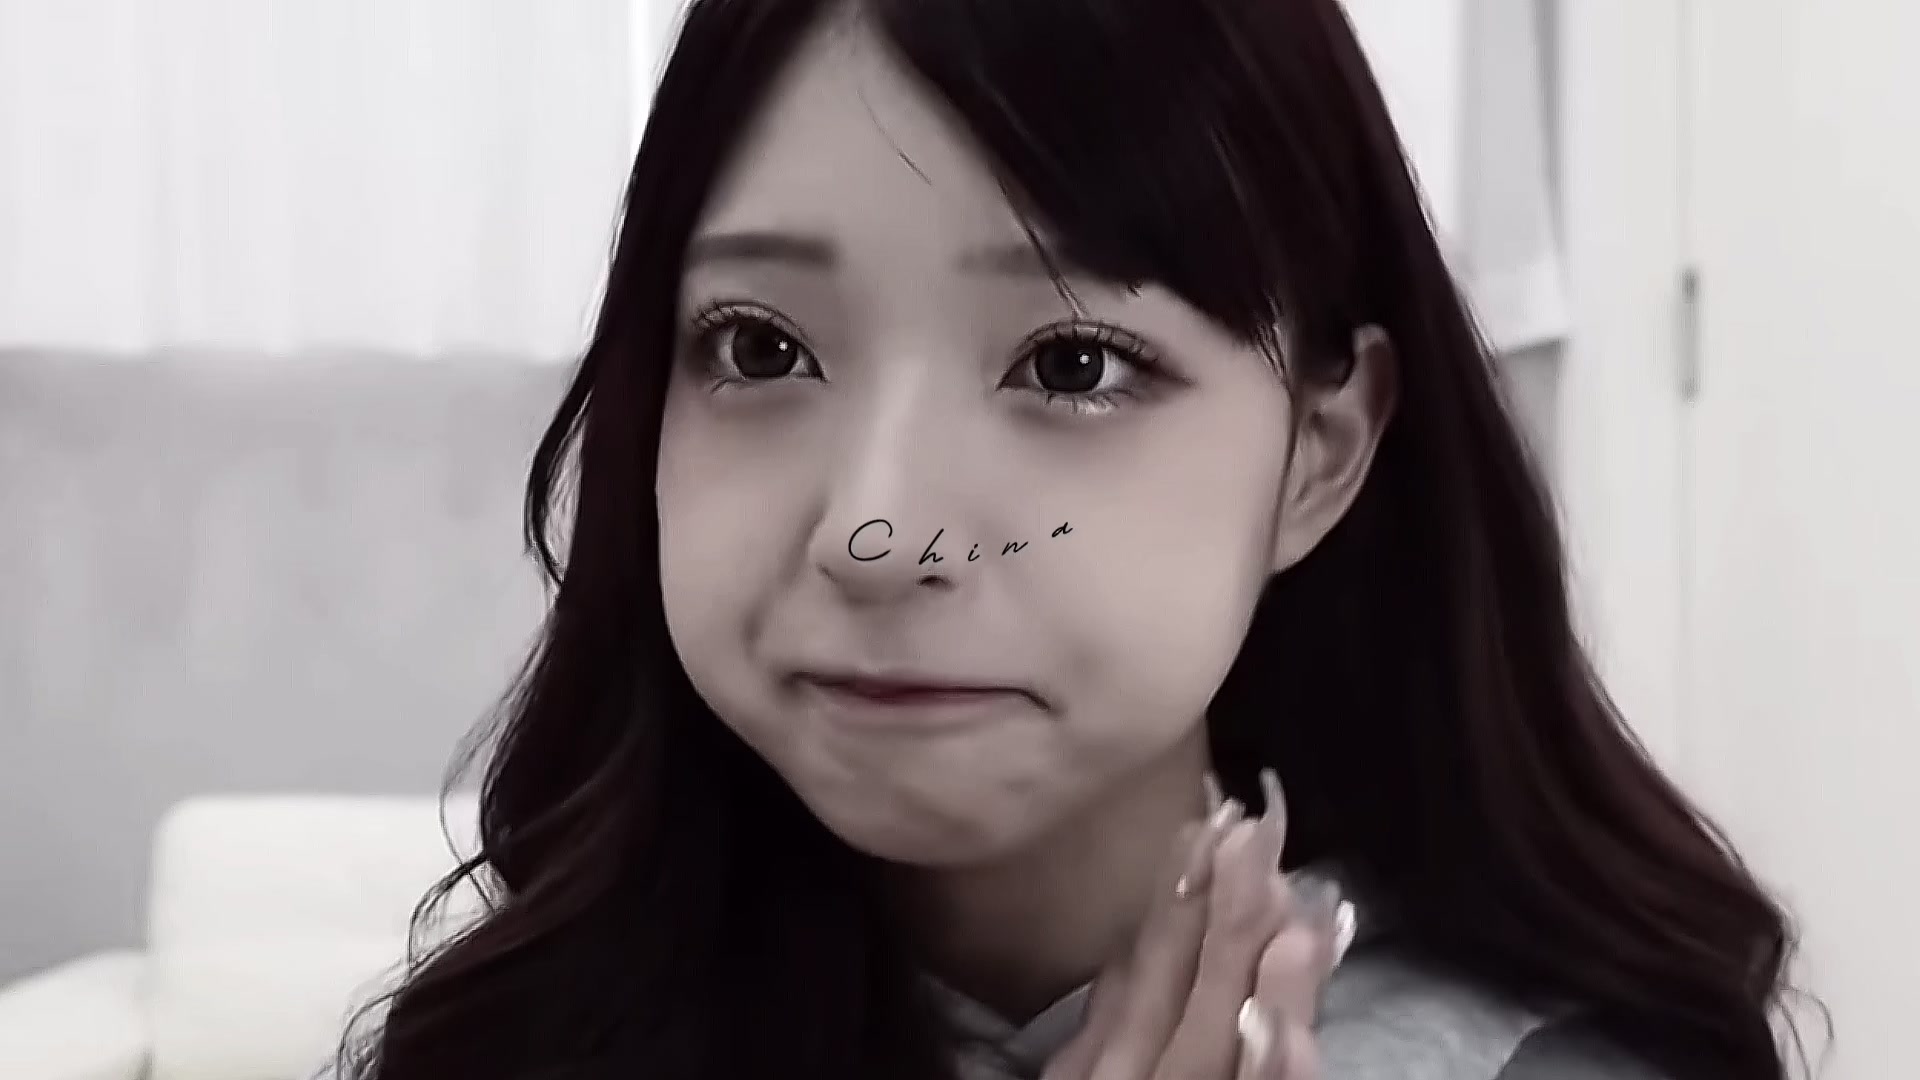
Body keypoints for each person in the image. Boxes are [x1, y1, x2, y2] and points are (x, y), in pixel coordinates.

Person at [332, 1, 1815, 1077]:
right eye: (761, 346)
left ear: (1320, 453)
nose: (875, 532)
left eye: (1071, 365)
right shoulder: (522, 1038)